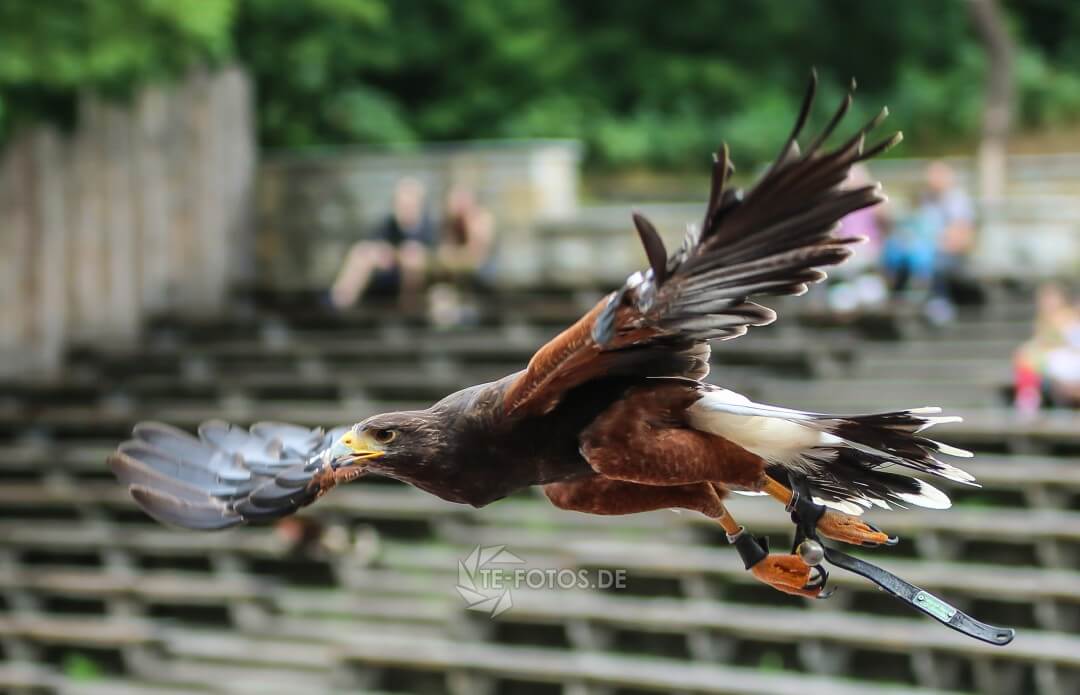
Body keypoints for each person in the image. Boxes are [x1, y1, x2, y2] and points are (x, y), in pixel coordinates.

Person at [330, 177, 436, 309]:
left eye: (409, 205)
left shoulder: (431, 228)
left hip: (421, 284)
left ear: (420, 205)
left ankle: (410, 316)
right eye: (400, 204)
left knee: (413, 261)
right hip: (386, 277)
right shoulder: (387, 224)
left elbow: (438, 256)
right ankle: (337, 305)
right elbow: (371, 247)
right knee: (360, 252)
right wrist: (383, 253)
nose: (404, 209)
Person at [427, 185, 496, 326]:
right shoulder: (449, 224)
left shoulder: (480, 219)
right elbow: (443, 253)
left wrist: (453, 257)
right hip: (455, 279)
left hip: (482, 276)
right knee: (440, 296)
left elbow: (476, 257)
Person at [1015, 284, 1080, 413]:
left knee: (1028, 357)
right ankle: (1029, 398)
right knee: (1026, 356)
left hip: (1069, 362)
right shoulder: (1045, 320)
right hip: (1058, 363)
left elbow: (1071, 343)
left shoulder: (1066, 317)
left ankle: (1029, 398)